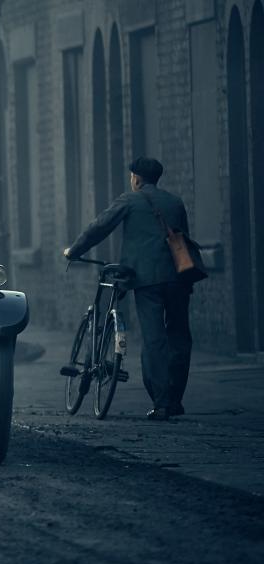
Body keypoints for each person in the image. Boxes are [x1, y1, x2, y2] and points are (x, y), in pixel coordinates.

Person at [63, 157, 193, 420]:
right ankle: (175, 398)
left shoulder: (129, 200)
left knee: (154, 338)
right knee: (179, 336)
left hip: (147, 280)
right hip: (178, 278)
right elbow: (183, 240)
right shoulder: (175, 202)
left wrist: (73, 251)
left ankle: (161, 402)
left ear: (136, 178)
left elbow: (99, 227)